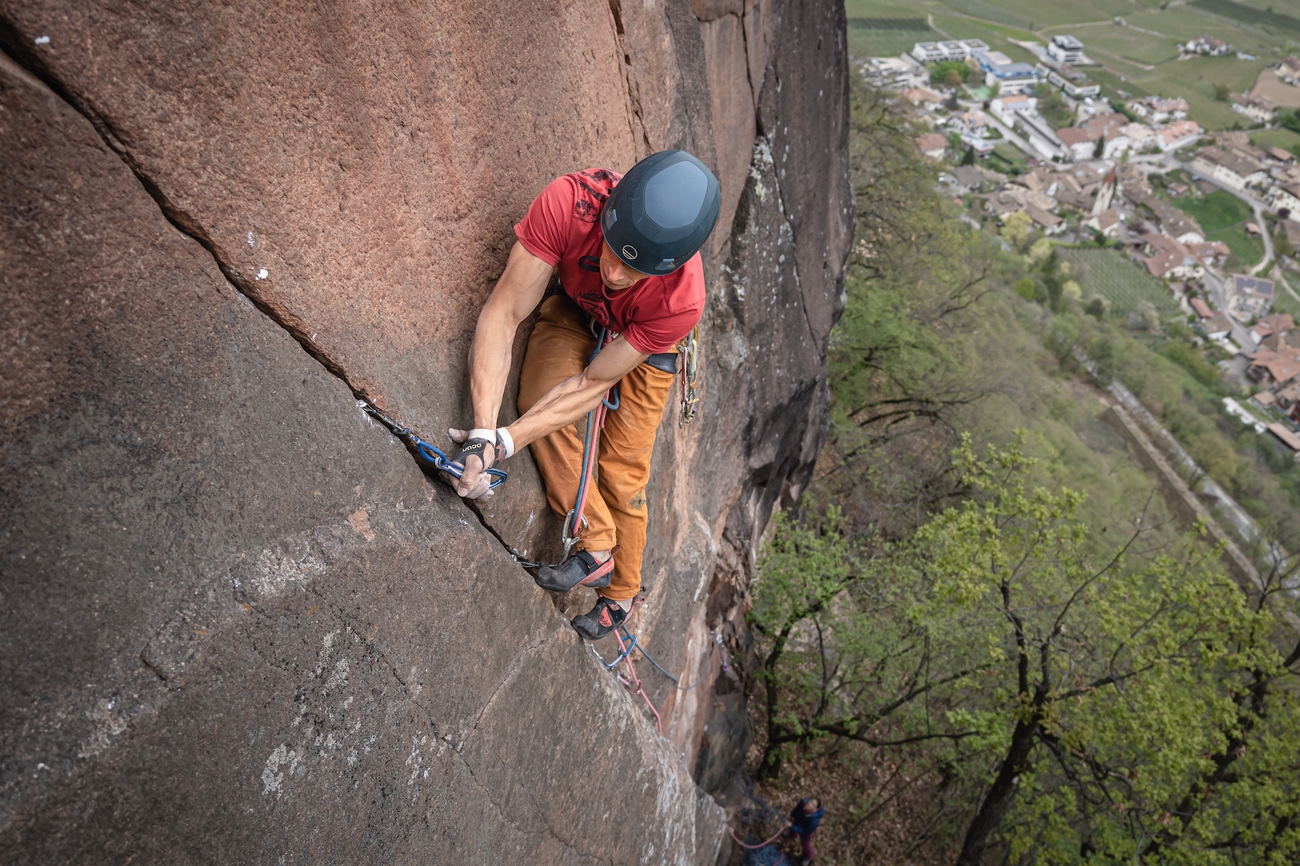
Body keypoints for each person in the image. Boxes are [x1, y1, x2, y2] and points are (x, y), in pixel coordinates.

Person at [445, 151, 721, 640]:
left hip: (645, 345)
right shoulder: (570, 203)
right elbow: (504, 313)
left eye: (634, 273)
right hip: (578, 308)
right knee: (537, 401)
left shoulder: (681, 299)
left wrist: (507, 444)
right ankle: (595, 547)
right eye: (613, 253)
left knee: (623, 467)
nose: (615, 275)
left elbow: (595, 383)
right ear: (610, 211)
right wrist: (487, 437)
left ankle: (623, 591)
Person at [787, 797, 824, 865]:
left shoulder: (814, 821)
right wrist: (792, 815)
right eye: (811, 802)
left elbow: (805, 831)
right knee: (792, 830)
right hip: (798, 820)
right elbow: (797, 809)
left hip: (806, 831)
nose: (810, 804)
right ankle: (791, 837)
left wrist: (792, 826)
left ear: (815, 809)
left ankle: (808, 857)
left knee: (805, 844)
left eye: (813, 805)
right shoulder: (803, 802)